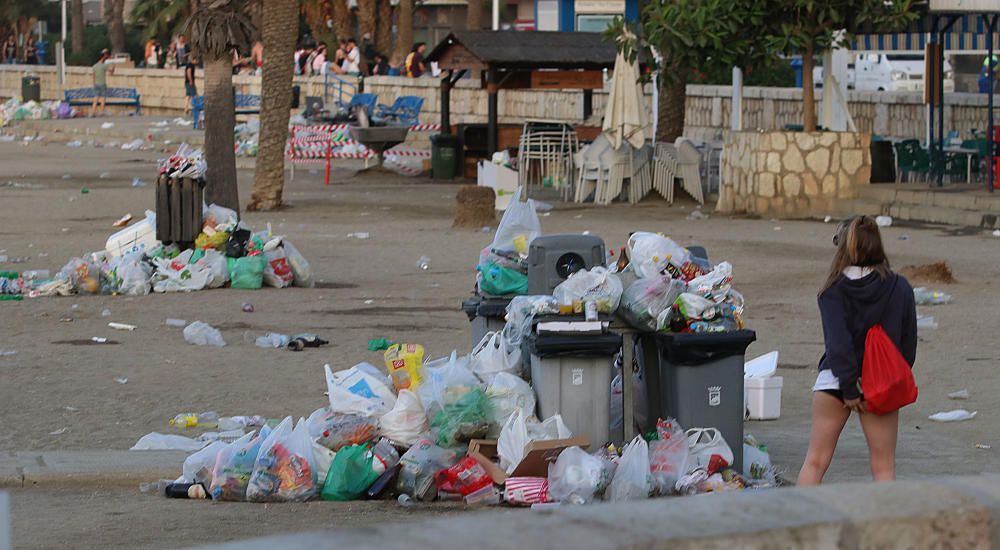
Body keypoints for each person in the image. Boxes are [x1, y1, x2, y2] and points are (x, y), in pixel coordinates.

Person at [797, 215, 917, 486]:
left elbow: (838, 343)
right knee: (883, 466)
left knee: (815, 462)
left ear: (843, 247)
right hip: (880, 385)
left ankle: (799, 522)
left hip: (834, 381)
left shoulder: (832, 289)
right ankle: (886, 528)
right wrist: (890, 375)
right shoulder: (900, 287)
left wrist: (850, 386)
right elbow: (908, 345)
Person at [91, 49, 114, 117]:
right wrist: (113, 68)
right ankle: (101, 112)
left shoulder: (94, 66)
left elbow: (94, 76)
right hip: (102, 84)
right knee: (102, 99)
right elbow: (111, 73)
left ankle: (93, 112)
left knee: (95, 99)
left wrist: (94, 84)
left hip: (96, 84)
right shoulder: (104, 66)